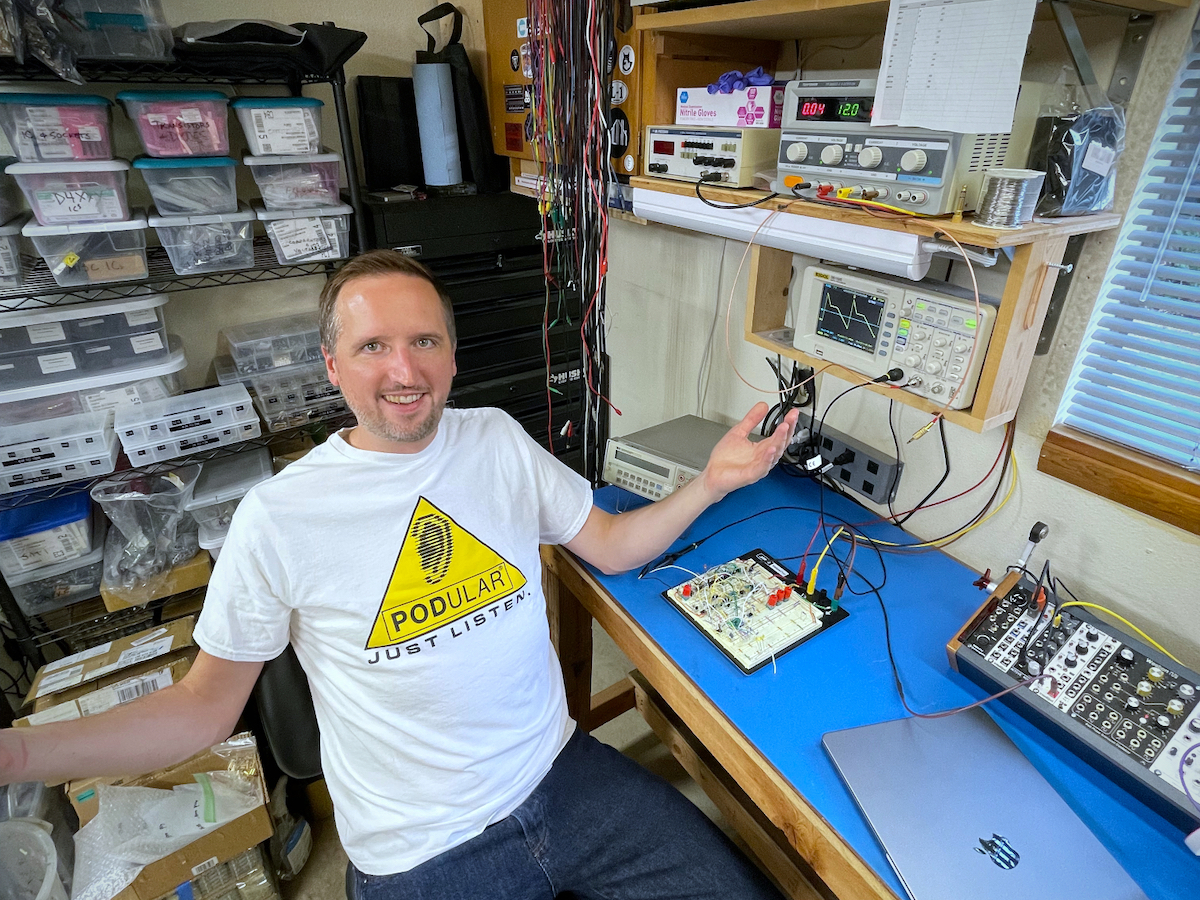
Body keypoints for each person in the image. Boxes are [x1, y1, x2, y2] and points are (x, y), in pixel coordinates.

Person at [0, 250, 798, 900]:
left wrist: (711, 481)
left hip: (559, 773)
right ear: (331, 365)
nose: (404, 371)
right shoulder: (278, 517)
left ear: (452, 353)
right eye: (372, 346)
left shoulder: (494, 440)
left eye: (424, 341)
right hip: (422, 848)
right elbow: (200, 712)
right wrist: (20, 756)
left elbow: (614, 545)